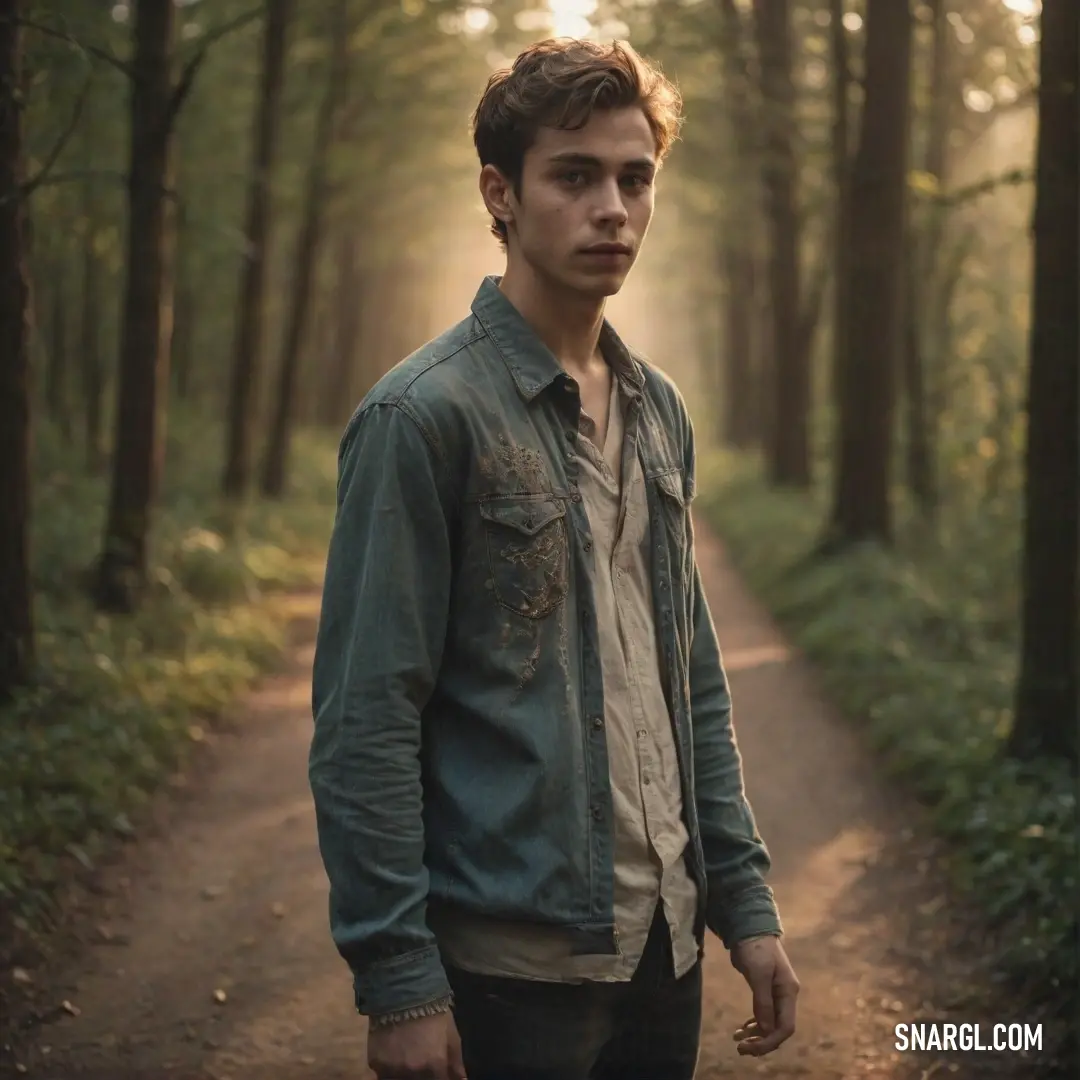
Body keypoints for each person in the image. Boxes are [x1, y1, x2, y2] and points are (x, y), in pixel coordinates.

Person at [309, 36, 799, 1080]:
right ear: (502, 192)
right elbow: (367, 716)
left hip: (663, 952)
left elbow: (690, 684)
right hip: (511, 970)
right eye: (574, 177)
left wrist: (744, 903)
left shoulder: (659, 410)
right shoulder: (421, 417)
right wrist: (399, 978)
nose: (612, 208)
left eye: (635, 178)